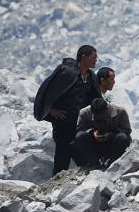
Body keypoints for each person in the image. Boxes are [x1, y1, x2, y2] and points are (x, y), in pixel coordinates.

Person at [33, 45, 103, 175]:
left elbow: (94, 100)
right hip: (63, 124)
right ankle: (55, 189)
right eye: (93, 57)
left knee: (79, 156)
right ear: (84, 57)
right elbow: (48, 91)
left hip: (78, 124)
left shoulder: (90, 76)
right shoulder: (66, 72)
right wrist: (51, 110)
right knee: (64, 157)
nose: (96, 61)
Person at [73, 98, 131, 168]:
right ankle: (94, 162)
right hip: (94, 144)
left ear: (107, 109)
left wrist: (111, 134)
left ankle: (112, 163)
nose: (99, 117)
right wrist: (92, 132)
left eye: (102, 115)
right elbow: (80, 129)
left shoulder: (120, 112)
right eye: (96, 116)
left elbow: (127, 130)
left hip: (113, 143)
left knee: (122, 137)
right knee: (80, 136)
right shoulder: (84, 113)